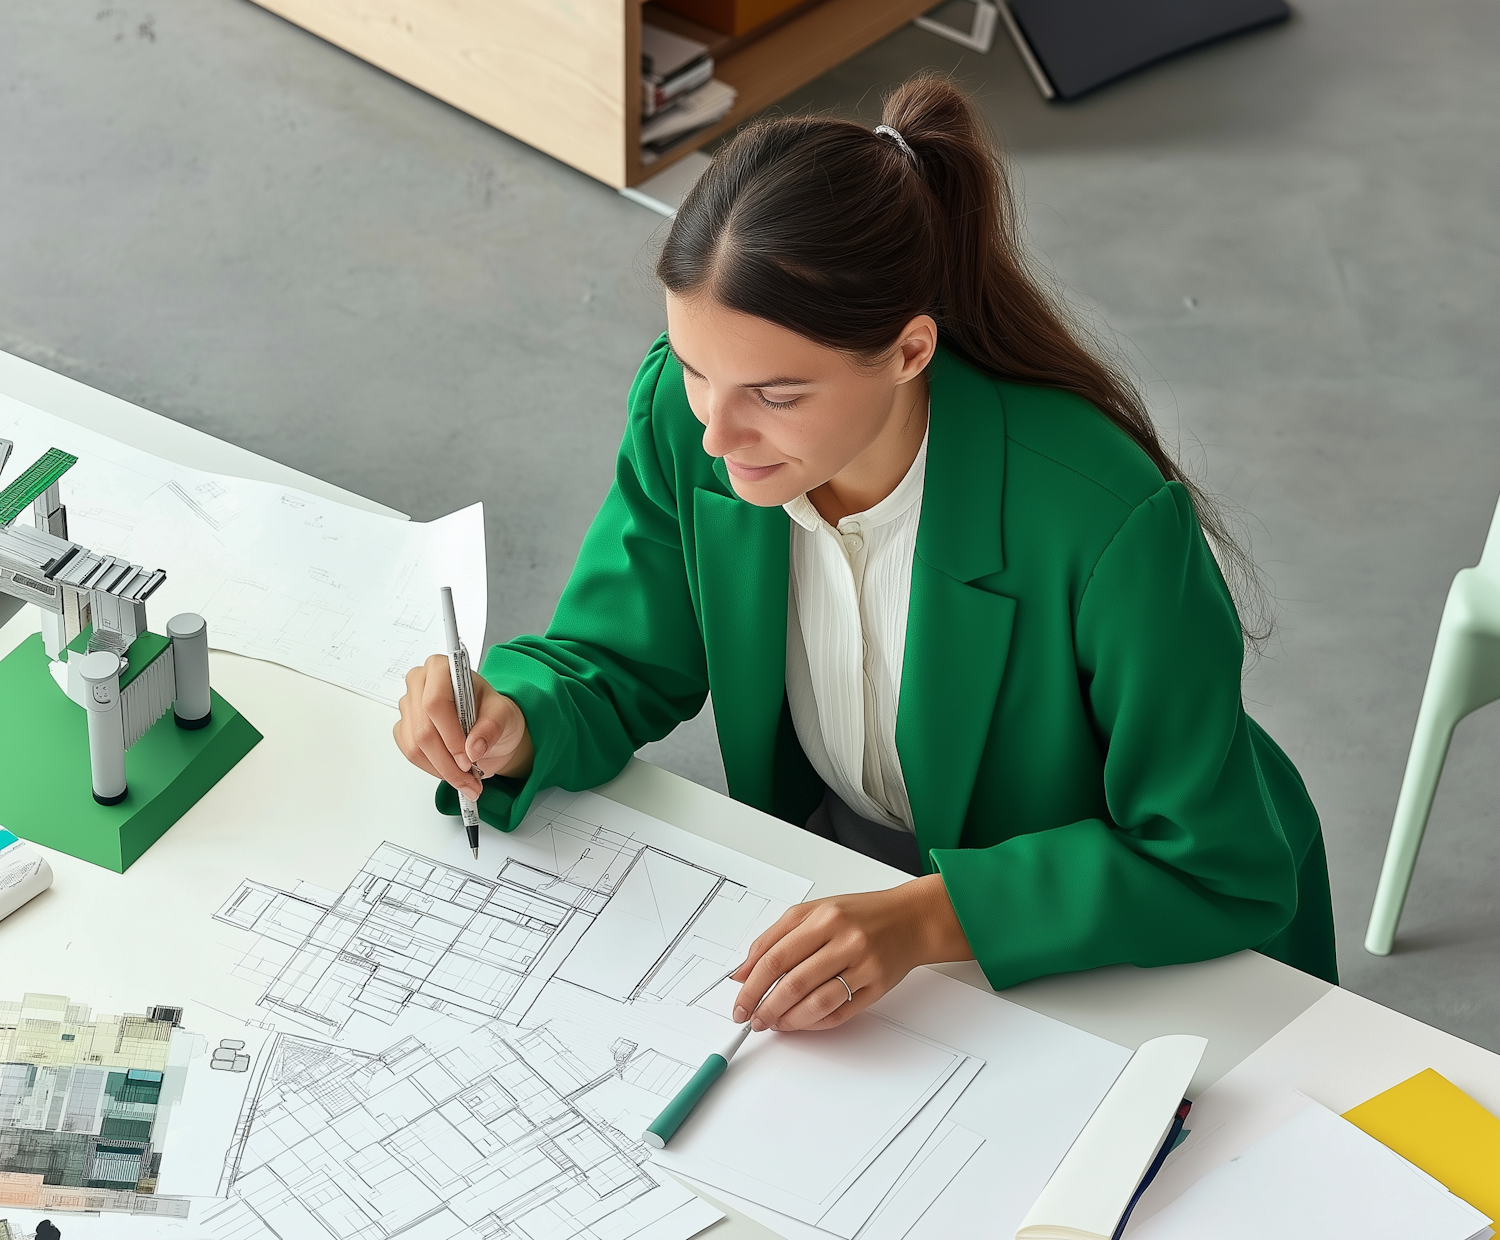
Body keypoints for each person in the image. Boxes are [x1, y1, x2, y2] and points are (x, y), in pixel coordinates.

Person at [394, 74, 1337, 1038]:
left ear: (910, 351)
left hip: (1111, 940)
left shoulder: (1106, 521)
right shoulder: (690, 427)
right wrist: (519, 714)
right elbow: (616, 658)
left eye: (777, 394)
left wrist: (933, 915)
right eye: (694, 369)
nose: (718, 434)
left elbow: (1210, 860)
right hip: (863, 883)